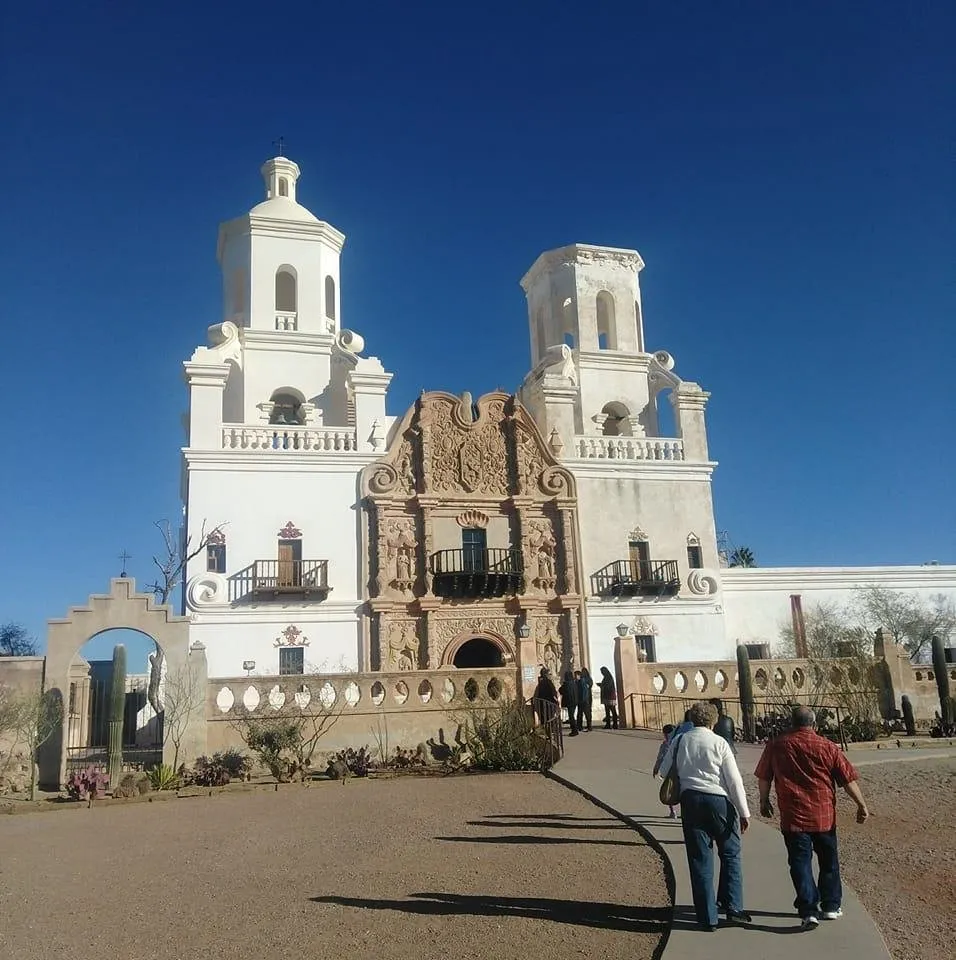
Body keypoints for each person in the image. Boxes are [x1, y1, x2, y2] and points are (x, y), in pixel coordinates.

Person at [755, 704, 869, 929]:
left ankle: (808, 910)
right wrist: (861, 805)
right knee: (829, 862)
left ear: (792, 723)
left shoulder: (776, 746)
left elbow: (764, 776)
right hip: (823, 815)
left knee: (800, 863)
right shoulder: (827, 746)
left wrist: (764, 800)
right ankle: (831, 905)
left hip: (793, 816)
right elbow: (847, 779)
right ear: (814, 724)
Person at [660, 701, 751, 932]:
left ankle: (707, 916)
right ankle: (733, 907)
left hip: (690, 801)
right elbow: (733, 780)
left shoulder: (680, 740)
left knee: (699, 858)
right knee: (730, 853)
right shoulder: (719, 742)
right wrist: (743, 812)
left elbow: (663, 771)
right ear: (714, 720)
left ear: (692, 719)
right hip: (718, 800)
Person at [652, 723, 678, 818]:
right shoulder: (678, 742)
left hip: (668, 771)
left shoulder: (665, 745)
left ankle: (672, 812)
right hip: (678, 769)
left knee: (668, 791)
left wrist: (656, 768)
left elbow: (660, 758)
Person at [532, 668, 559, 734]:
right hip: (548, 703)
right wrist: (556, 699)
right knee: (550, 717)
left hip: (543, 703)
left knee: (545, 718)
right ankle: (550, 731)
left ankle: (547, 731)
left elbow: (537, 694)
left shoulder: (540, 683)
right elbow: (554, 692)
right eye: (549, 674)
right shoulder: (548, 682)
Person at [559, 671, 580, 736]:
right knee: (571, 716)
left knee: (571, 716)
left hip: (570, 702)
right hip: (574, 701)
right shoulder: (574, 683)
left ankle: (574, 730)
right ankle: (574, 729)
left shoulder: (567, 684)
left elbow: (561, 691)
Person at [576, 668, 593, 732]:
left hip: (584, 699)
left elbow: (585, 690)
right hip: (584, 699)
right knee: (582, 713)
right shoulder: (580, 681)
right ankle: (581, 726)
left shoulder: (583, 680)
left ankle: (587, 726)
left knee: (585, 713)